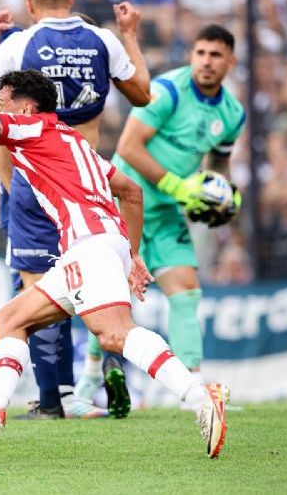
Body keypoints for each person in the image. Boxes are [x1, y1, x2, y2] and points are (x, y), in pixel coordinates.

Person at [0, 69, 230, 458]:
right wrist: (131, 255)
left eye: (3, 100)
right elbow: (130, 192)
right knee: (10, 320)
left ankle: (200, 396)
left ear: (27, 108)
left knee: (114, 334)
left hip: (90, 246)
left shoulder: (30, 129)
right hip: (94, 247)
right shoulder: (71, 140)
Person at [0, 0, 151, 419]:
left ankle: (51, 396)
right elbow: (141, 93)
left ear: (30, 5)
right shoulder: (103, 41)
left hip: (36, 186)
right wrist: (130, 33)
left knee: (36, 293)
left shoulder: (22, 43)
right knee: (92, 284)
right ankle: (93, 372)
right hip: (89, 181)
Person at [77, 24, 245, 401]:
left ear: (230, 62)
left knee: (186, 291)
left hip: (168, 212)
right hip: (126, 202)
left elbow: (218, 163)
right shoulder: (168, 90)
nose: (206, 61)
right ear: (192, 55)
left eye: (216, 55)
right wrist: (178, 186)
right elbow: (129, 147)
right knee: (111, 296)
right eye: (201, 53)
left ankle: (195, 390)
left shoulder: (233, 114)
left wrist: (222, 194)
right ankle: (89, 376)